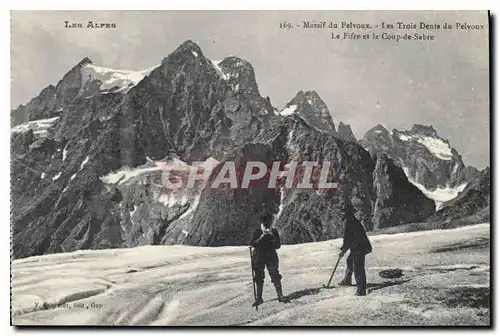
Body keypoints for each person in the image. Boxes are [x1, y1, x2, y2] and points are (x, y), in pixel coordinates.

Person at [249, 214, 286, 306]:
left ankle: (280, 295)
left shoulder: (273, 232)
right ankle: (259, 298)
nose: (265, 225)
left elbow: (278, 245)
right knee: (258, 277)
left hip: (270, 257)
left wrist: (271, 237)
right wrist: (261, 239)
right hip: (259, 257)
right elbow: (252, 243)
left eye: (267, 223)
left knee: (275, 275)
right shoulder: (257, 232)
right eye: (263, 223)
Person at [338, 204, 372, 296]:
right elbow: (349, 239)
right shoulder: (353, 221)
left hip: (360, 248)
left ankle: (361, 290)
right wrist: (344, 248)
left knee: (358, 267)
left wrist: (343, 250)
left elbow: (348, 239)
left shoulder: (350, 223)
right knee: (350, 260)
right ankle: (347, 280)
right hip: (358, 246)